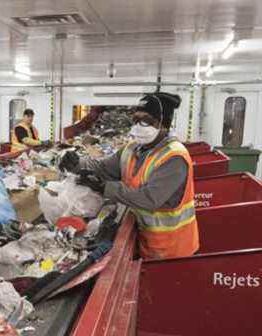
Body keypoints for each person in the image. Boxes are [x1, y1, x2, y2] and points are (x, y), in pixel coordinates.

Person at [59, 93, 199, 259]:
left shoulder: (174, 157)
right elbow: (104, 167)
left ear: (164, 124)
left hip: (171, 249)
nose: (138, 126)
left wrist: (104, 187)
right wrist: (77, 164)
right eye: (136, 120)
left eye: (146, 121)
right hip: (144, 239)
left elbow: (149, 198)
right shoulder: (132, 148)